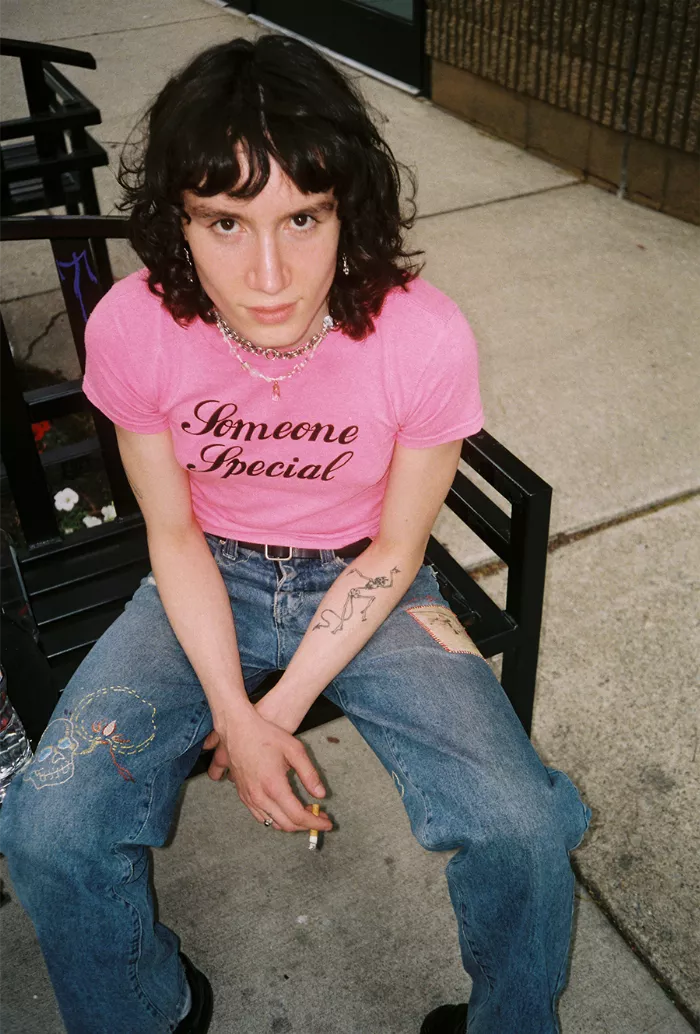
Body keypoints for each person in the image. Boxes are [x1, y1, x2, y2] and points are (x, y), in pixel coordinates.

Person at [0, 34, 590, 1034]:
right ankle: (148, 1007)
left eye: (301, 218)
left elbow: (398, 550)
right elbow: (174, 532)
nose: (267, 273)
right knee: (48, 824)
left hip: (370, 579)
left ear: (345, 208)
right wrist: (236, 708)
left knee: (524, 824)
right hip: (205, 571)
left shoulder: (421, 334)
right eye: (225, 222)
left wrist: (280, 705)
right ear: (176, 222)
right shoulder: (137, 326)